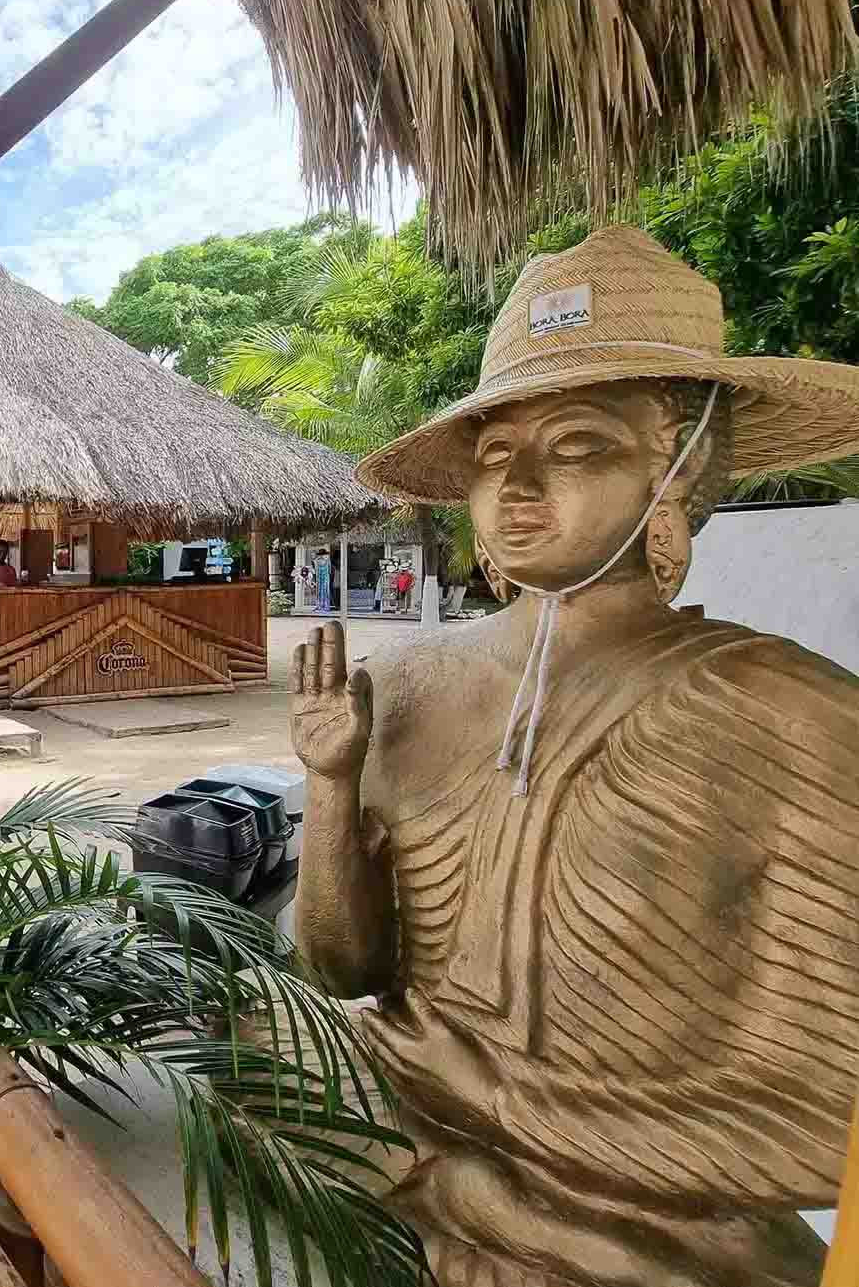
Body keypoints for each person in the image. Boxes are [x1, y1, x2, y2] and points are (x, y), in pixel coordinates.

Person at [291, 226, 859, 1287]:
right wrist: (330, 788)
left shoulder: (793, 716)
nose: (517, 485)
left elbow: (823, 1122)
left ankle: (495, 1203)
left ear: (679, 472)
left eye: (579, 447)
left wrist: (495, 1100)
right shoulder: (402, 686)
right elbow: (343, 972)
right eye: (494, 454)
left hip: (642, 1215)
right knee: (237, 1034)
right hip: (407, 1126)